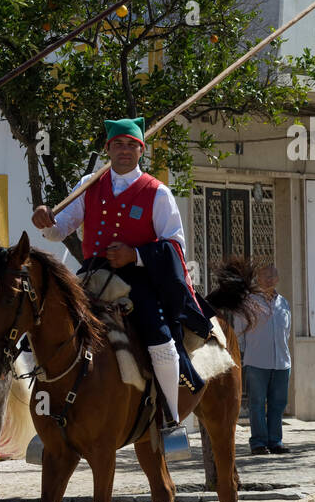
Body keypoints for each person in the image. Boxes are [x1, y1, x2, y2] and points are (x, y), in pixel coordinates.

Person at [32, 116, 212, 446]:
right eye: (118, 144)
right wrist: (45, 219)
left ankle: (170, 419)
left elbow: (175, 244)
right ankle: (48, 421)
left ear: (141, 149)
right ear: (108, 148)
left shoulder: (158, 192)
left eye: (132, 145)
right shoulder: (89, 183)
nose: (124, 150)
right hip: (91, 274)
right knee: (48, 326)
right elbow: (60, 229)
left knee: (159, 339)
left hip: (138, 280)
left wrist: (136, 255)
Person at [234, 263, 292, 454]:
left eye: (273, 275)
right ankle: (258, 443)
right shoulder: (247, 303)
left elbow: (287, 332)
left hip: (282, 363)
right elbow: (239, 332)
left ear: (278, 279)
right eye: (265, 275)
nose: (269, 279)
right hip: (256, 362)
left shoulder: (283, 302)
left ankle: (275, 441)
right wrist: (243, 355)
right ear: (257, 278)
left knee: (278, 404)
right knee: (257, 404)